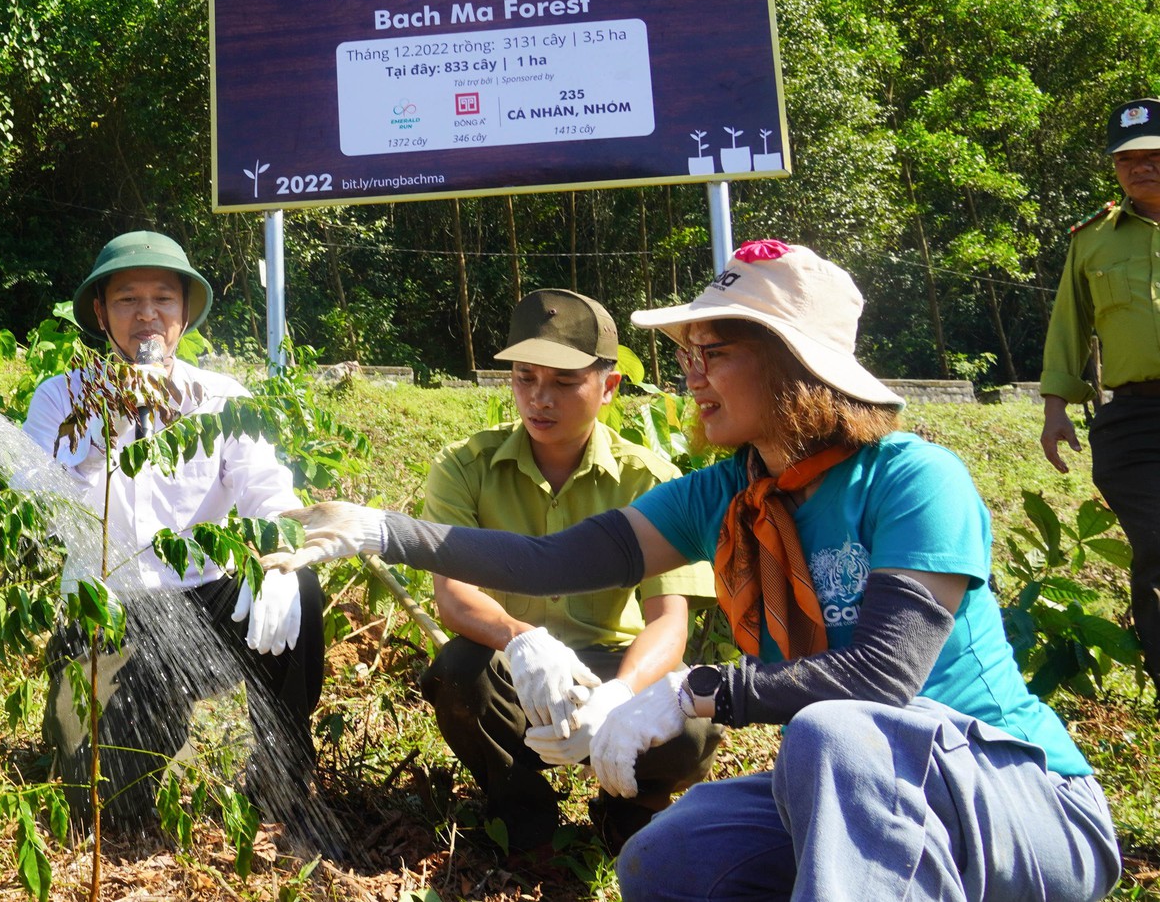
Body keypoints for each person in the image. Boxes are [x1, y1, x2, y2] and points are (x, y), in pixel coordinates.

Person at [268, 241, 1121, 902]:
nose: (691, 374)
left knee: (836, 731)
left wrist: (688, 692)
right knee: (668, 858)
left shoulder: (911, 478)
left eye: (714, 351)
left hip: (1020, 798)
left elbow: (884, 676)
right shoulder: (725, 491)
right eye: (687, 353)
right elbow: (553, 557)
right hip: (862, 793)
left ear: (794, 365)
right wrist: (383, 529)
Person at [20, 231, 326, 838]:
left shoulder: (221, 401)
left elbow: (270, 492)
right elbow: (36, 510)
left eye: (163, 297)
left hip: (206, 605)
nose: (147, 314)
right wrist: (105, 422)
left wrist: (283, 560)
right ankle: (114, 731)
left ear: (185, 312)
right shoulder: (60, 400)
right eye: (128, 299)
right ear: (101, 314)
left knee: (303, 588)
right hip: (107, 611)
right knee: (106, 812)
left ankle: (283, 765)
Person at [419, 289, 718, 853]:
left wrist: (621, 694)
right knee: (460, 672)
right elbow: (454, 597)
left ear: (608, 388)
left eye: (563, 381)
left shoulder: (648, 479)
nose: (539, 398)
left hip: (613, 661)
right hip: (515, 666)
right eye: (525, 377)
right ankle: (519, 807)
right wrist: (523, 641)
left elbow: (668, 625)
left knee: (693, 724)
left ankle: (632, 804)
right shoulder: (465, 467)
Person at [1041, 97, 1160, 692]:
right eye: (1128, 159)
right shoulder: (1092, 240)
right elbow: (1070, 323)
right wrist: (1056, 405)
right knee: (1157, 538)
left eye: (1154, 154)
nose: (1142, 166)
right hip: (1137, 419)